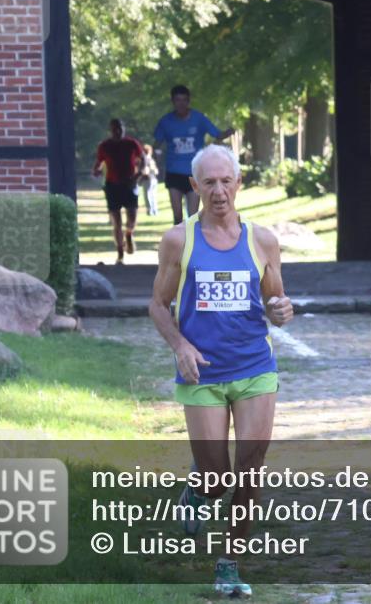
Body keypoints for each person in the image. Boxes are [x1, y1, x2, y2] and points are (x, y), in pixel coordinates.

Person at [148, 144, 293, 597]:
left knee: (250, 471)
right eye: (208, 182)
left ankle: (229, 564)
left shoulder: (263, 241)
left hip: (254, 368)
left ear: (238, 183)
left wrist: (282, 309)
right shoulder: (179, 240)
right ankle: (197, 491)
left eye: (225, 181)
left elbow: (274, 300)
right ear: (194, 186)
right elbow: (158, 304)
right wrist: (180, 345)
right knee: (216, 480)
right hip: (203, 375)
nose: (218, 191)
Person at [154, 85, 233, 225]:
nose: (181, 104)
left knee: (193, 216)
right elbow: (157, 143)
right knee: (177, 215)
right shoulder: (165, 122)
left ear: (189, 101)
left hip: (195, 173)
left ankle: (193, 244)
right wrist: (156, 155)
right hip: (174, 172)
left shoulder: (199, 119)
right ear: (173, 101)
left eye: (184, 100)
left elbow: (217, 134)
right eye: (178, 100)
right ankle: (179, 244)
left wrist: (228, 131)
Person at [93, 119, 144, 264]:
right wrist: (96, 170)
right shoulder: (105, 146)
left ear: (124, 128)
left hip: (129, 184)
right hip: (112, 185)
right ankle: (120, 253)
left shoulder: (131, 143)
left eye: (120, 128)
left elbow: (143, 159)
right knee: (116, 221)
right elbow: (98, 162)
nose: (118, 131)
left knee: (132, 218)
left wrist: (138, 174)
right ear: (110, 130)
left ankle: (129, 233)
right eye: (115, 128)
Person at [139, 143, 160, 216]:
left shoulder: (145, 160)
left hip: (147, 179)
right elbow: (156, 171)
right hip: (154, 178)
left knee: (147, 195)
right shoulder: (152, 160)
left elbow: (145, 170)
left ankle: (150, 210)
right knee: (153, 195)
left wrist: (140, 179)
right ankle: (155, 210)